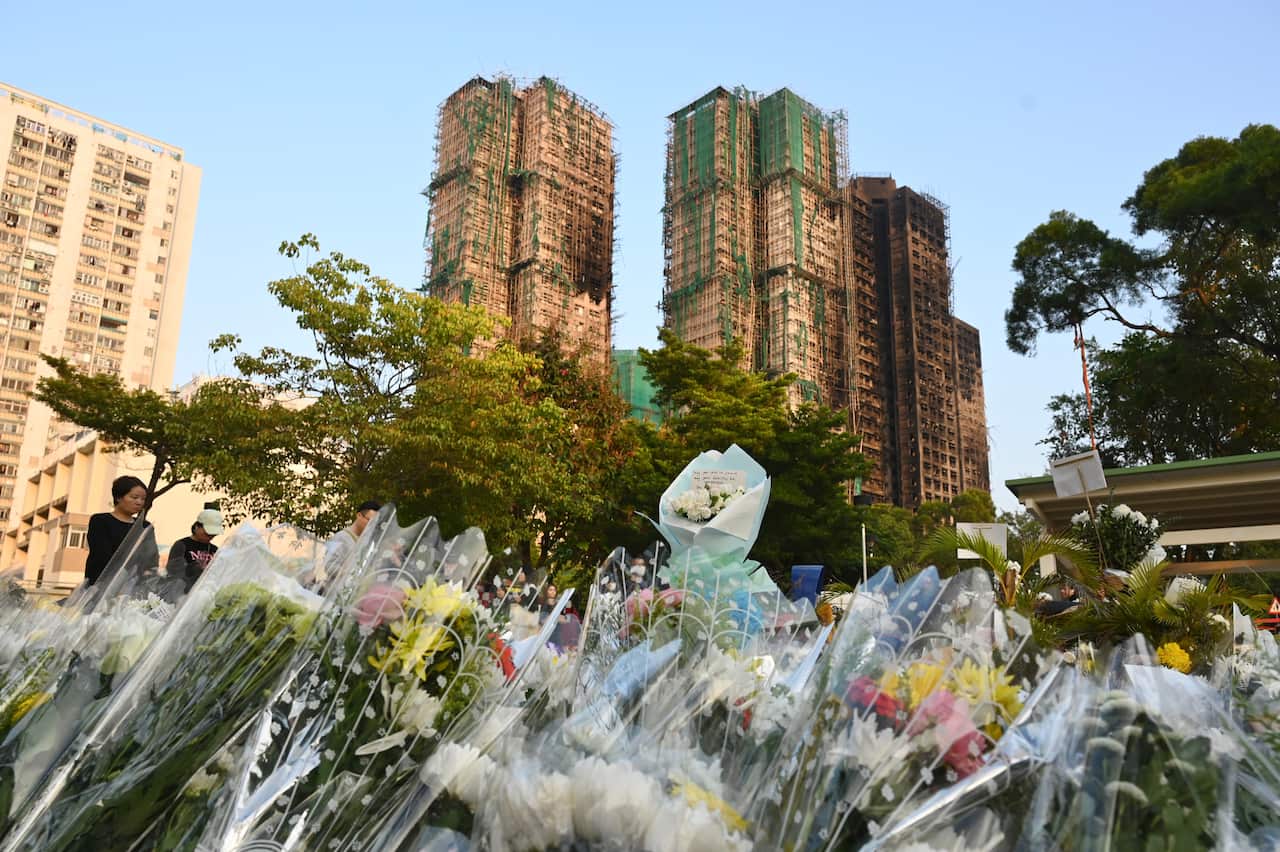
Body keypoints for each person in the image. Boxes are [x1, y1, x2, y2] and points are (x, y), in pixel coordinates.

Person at [84, 476, 150, 586]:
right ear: (119, 497)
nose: (139, 502)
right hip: (102, 585)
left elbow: (150, 558)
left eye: (143, 499)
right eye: (134, 497)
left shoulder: (145, 526)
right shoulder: (100, 521)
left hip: (135, 586)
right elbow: (101, 555)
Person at [321, 500, 383, 581]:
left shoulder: (367, 540)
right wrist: (347, 573)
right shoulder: (340, 537)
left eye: (375, 522)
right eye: (369, 520)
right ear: (359, 515)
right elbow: (328, 565)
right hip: (335, 589)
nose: (372, 525)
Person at [166, 509, 224, 592]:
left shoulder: (215, 550)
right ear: (197, 527)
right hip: (184, 595)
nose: (210, 536)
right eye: (207, 533)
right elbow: (173, 574)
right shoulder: (182, 545)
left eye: (213, 534)